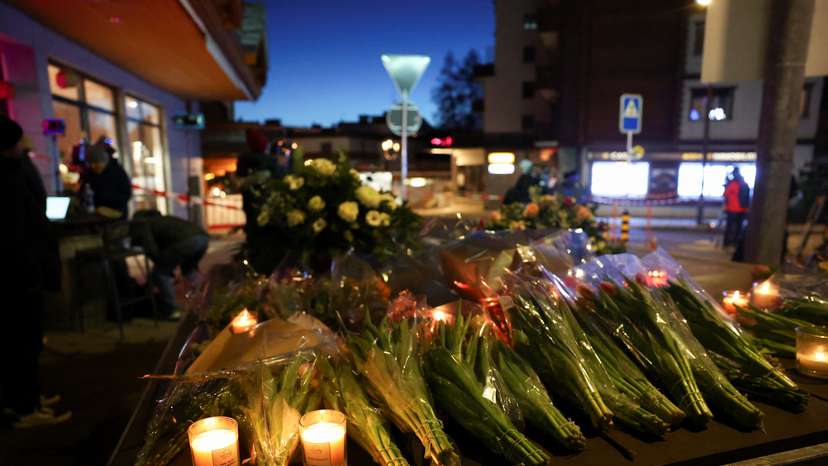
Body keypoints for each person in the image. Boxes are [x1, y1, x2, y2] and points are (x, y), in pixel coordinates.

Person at [0, 116, 70, 428]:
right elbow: (19, 229)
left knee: (25, 341)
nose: (23, 147)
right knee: (21, 341)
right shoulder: (7, 177)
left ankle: (29, 397)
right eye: (17, 142)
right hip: (16, 274)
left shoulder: (14, 171)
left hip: (21, 270)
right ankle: (25, 407)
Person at [130, 210, 210, 318]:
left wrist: (162, 266)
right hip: (203, 238)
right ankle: (208, 299)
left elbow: (151, 248)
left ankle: (171, 310)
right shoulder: (164, 219)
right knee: (189, 270)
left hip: (187, 241)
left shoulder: (144, 224)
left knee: (159, 273)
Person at [82, 142, 132, 219]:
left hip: (116, 215)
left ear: (104, 162)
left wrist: (104, 200)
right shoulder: (90, 173)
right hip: (97, 215)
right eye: (91, 164)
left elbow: (126, 195)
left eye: (96, 163)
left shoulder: (117, 172)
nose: (93, 166)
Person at [723, 167, 750, 247]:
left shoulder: (732, 184)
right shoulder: (744, 184)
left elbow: (725, 195)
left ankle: (727, 243)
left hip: (731, 209)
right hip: (742, 209)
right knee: (738, 227)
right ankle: (735, 243)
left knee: (729, 227)